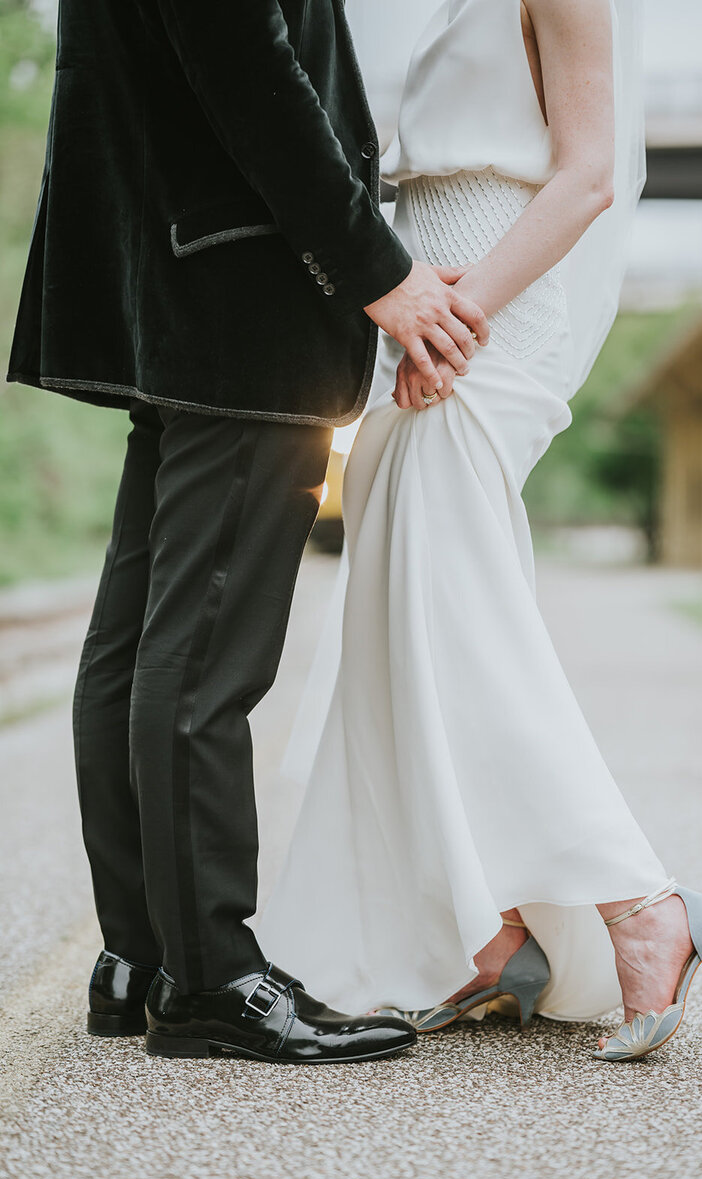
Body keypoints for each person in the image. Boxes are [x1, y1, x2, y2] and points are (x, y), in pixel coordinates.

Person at [258, 0, 702, 1063]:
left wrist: (462, 311)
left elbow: (588, 174)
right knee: (395, 613)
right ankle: (482, 936)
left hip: (493, 289)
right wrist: (396, 301)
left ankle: (638, 900)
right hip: (409, 288)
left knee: (455, 608)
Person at [6, 0, 491, 1065]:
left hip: (176, 267)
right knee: (200, 652)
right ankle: (212, 975)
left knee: (140, 636)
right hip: (244, 285)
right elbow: (248, 66)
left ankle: (143, 954)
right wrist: (383, 272)